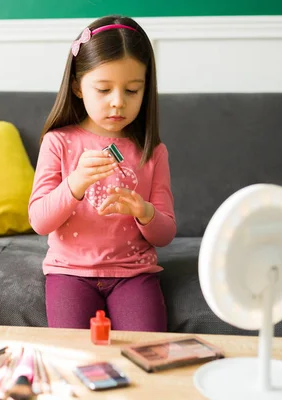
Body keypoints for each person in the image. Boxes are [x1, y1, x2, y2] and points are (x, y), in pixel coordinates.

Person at [28, 15, 176, 332]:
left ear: (146, 90)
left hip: (133, 273)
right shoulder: (58, 142)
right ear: (78, 87)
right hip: (69, 272)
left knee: (148, 350)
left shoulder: (152, 151)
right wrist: (76, 184)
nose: (118, 102)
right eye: (104, 89)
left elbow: (165, 234)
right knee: (72, 355)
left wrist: (144, 211)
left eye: (133, 90)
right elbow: (39, 221)